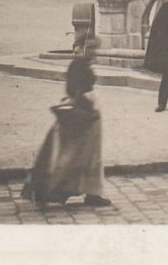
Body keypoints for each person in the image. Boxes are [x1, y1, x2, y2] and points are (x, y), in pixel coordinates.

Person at [22, 33, 111, 208]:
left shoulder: (82, 64)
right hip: (83, 113)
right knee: (75, 156)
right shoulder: (78, 65)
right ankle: (65, 191)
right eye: (89, 47)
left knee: (81, 155)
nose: (93, 52)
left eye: (95, 48)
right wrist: (87, 103)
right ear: (78, 47)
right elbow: (73, 89)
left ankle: (88, 192)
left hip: (86, 111)